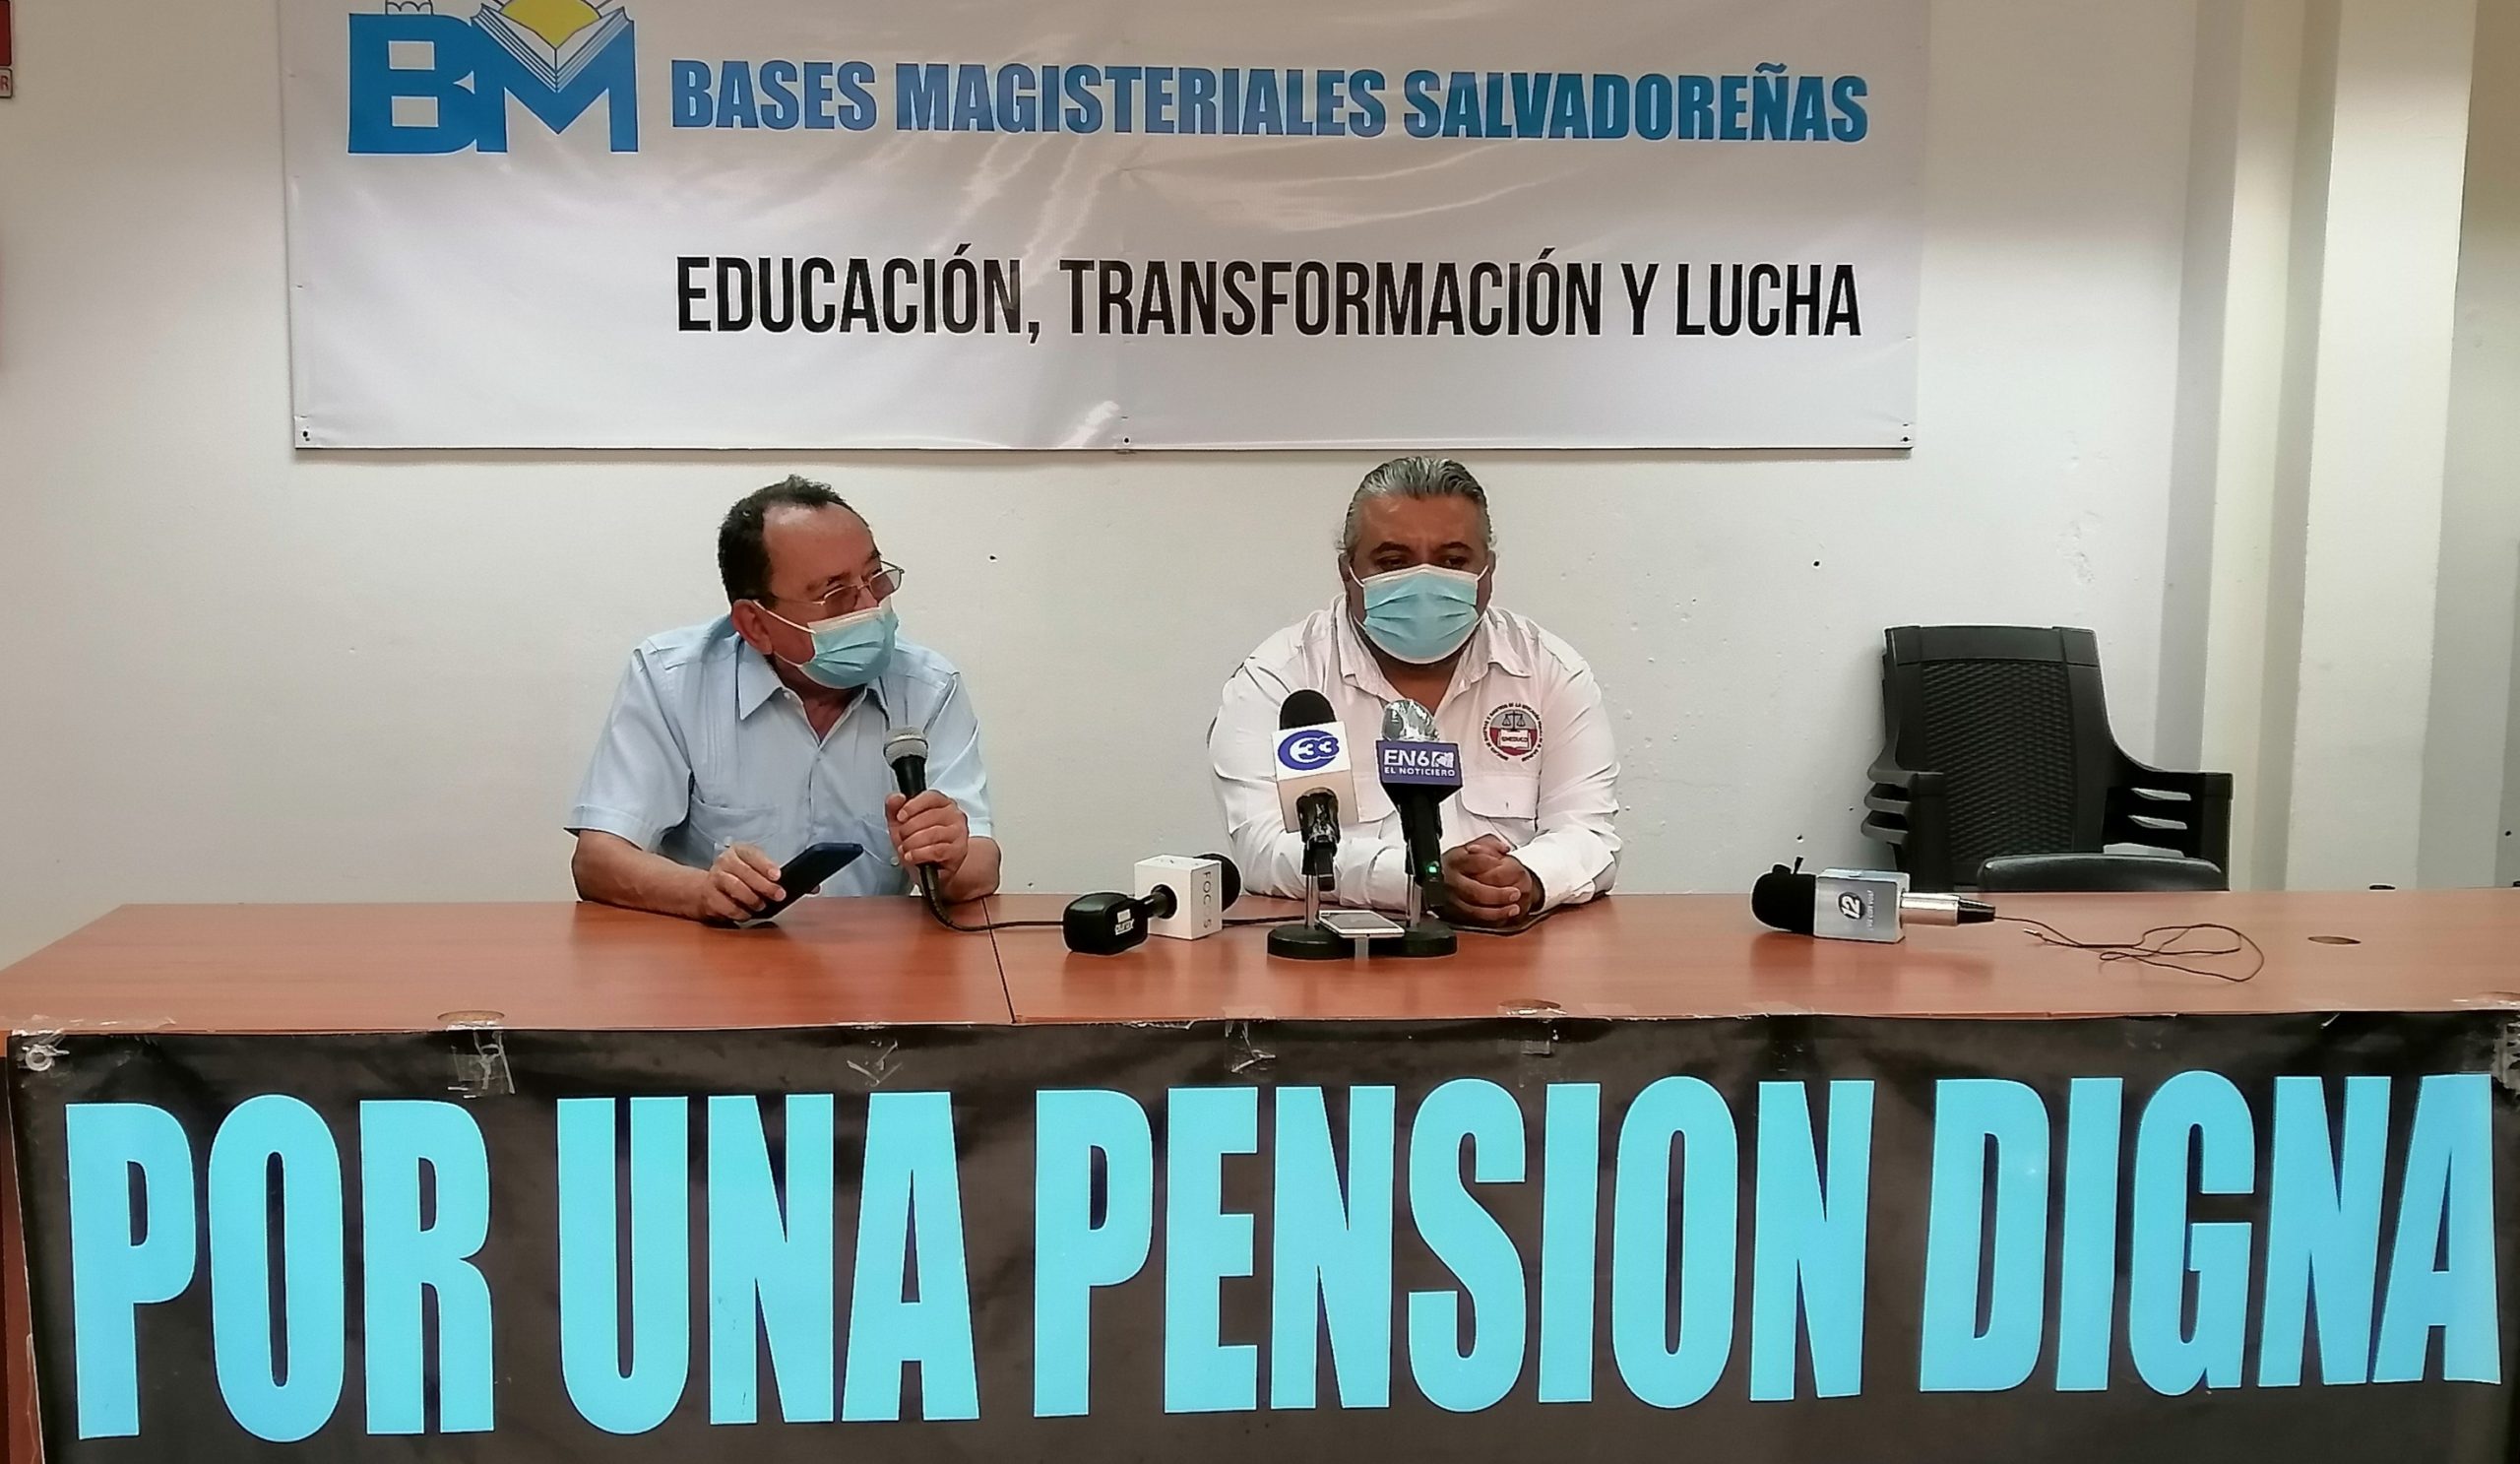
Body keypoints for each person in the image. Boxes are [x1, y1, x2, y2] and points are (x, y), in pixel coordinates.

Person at [1209, 457, 1619, 925]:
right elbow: (1264, 848)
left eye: (1453, 561)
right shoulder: (1283, 679)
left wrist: (1528, 876)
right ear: (1348, 571)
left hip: (1514, 948)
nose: (1425, 580)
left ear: (1488, 571)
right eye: (1393, 562)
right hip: (1346, 953)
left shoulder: (1548, 671)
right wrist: (1416, 876)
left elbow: (1589, 834)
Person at [568, 477, 999, 923]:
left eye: (875, 578)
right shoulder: (672, 679)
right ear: (755, 625)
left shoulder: (928, 686)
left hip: (877, 956)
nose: (869, 607)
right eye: (836, 594)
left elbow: (981, 865)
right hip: (719, 954)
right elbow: (598, 861)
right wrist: (702, 892)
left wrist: (950, 860)